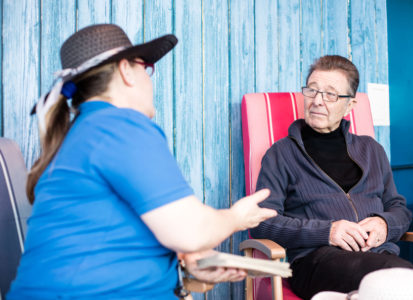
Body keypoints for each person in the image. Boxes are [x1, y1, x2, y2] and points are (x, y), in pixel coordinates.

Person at [7, 24, 276, 300]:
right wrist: (236, 218)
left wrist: (185, 259)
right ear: (126, 70)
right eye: (146, 68)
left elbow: (112, 230)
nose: (150, 80)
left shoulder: (85, 132)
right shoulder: (117, 125)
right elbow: (190, 230)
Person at [250, 55, 413, 299]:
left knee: (392, 281)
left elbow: (399, 208)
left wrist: (384, 224)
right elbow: (262, 222)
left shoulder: (372, 150)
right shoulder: (281, 154)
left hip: (378, 256)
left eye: (330, 94)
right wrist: (327, 231)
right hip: (316, 261)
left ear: (350, 105)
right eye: (312, 90)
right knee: (401, 277)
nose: (317, 101)